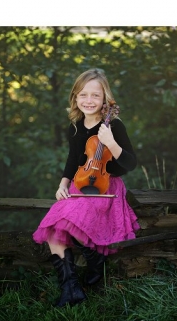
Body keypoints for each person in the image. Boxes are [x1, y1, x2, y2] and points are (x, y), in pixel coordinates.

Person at [32, 68, 140, 307]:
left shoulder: (114, 125)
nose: (89, 100)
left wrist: (111, 141)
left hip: (106, 187)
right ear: (75, 97)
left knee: (68, 221)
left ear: (104, 100)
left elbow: (130, 163)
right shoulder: (76, 125)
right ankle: (71, 289)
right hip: (81, 185)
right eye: (83, 95)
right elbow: (73, 159)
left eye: (95, 95)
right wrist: (63, 184)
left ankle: (95, 261)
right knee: (53, 228)